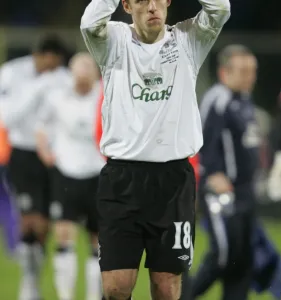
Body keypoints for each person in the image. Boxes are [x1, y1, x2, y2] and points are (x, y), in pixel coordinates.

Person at [80, 0, 231, 299]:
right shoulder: (113, 41)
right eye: (141, 0)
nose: (152, 7)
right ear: (125, 5)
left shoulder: (188, 40)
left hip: (173, 181)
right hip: (122, 179)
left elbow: (220, 8)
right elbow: (89, 22)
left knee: (167, 287)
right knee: (116, 287)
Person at [0, 35, 69, 300]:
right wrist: (39, 87)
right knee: (30, 220)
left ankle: (33, 277)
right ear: (38, 56)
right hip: (24, 153)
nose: (51, 70)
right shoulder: (12, 73)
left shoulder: (63, 77)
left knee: (46, 224)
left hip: (53, 157)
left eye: (56, 66)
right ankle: (29, 283)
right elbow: (7, 116)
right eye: (48, 65)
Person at [189, 45, 259, 300]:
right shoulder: (217, 99)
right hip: (223, 191)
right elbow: (201, 140)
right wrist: (212, 173)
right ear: (224, 72)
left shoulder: (245, 99)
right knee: (224, 254)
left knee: (243, 258)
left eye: (252, 71)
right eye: (242, 71)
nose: (249, 76)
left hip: (246, 190)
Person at [36, 52, 105, 300]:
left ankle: (93, 296)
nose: (83, 76)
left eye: (88, 69)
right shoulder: (58, 97)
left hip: (97, 172)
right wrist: (46, 152)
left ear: (95, 74)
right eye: (79, 70)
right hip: (66, 172)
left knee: (96, 239)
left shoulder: (105, 95)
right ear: (72, 73)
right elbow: (41, 127)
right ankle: (66, 296)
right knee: (64, 234)